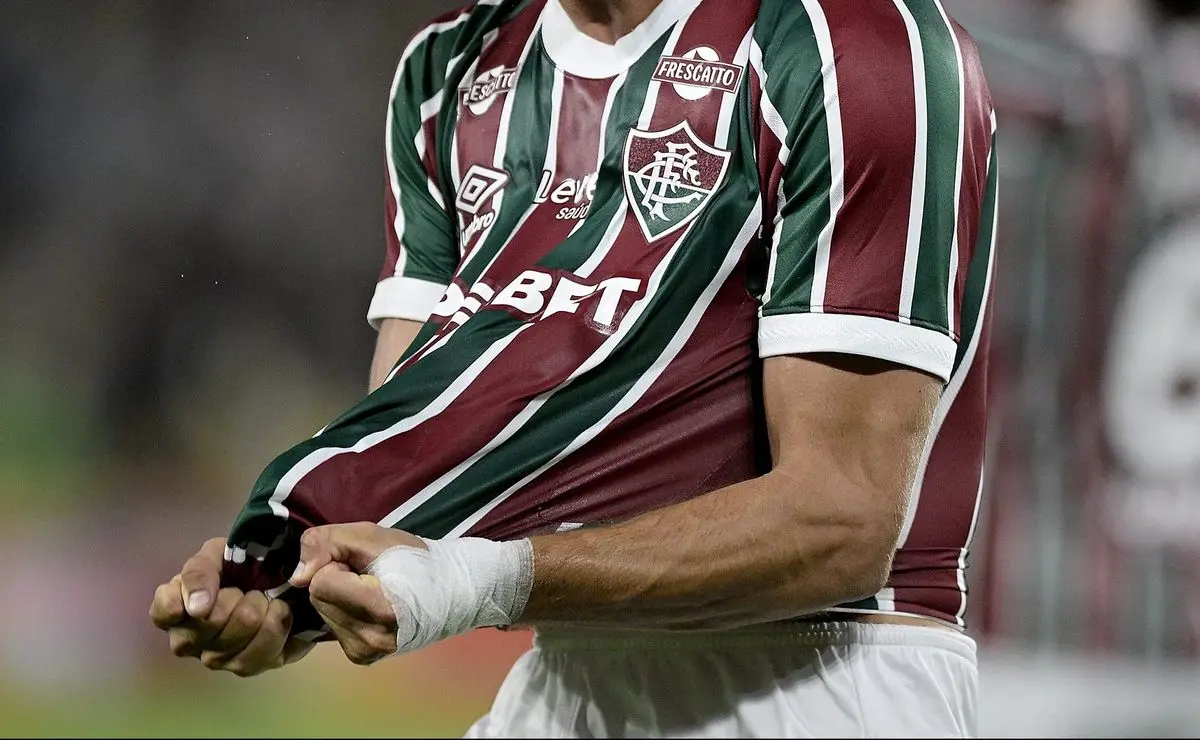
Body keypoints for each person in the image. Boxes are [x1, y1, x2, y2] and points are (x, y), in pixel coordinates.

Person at [150, 0, 997, 735]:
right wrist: (286, 581)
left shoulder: (851, 45)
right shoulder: (453, 72)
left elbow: (840, 521)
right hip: (573, 673)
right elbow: (428, 454)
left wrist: (481, 579)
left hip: (825, 679)